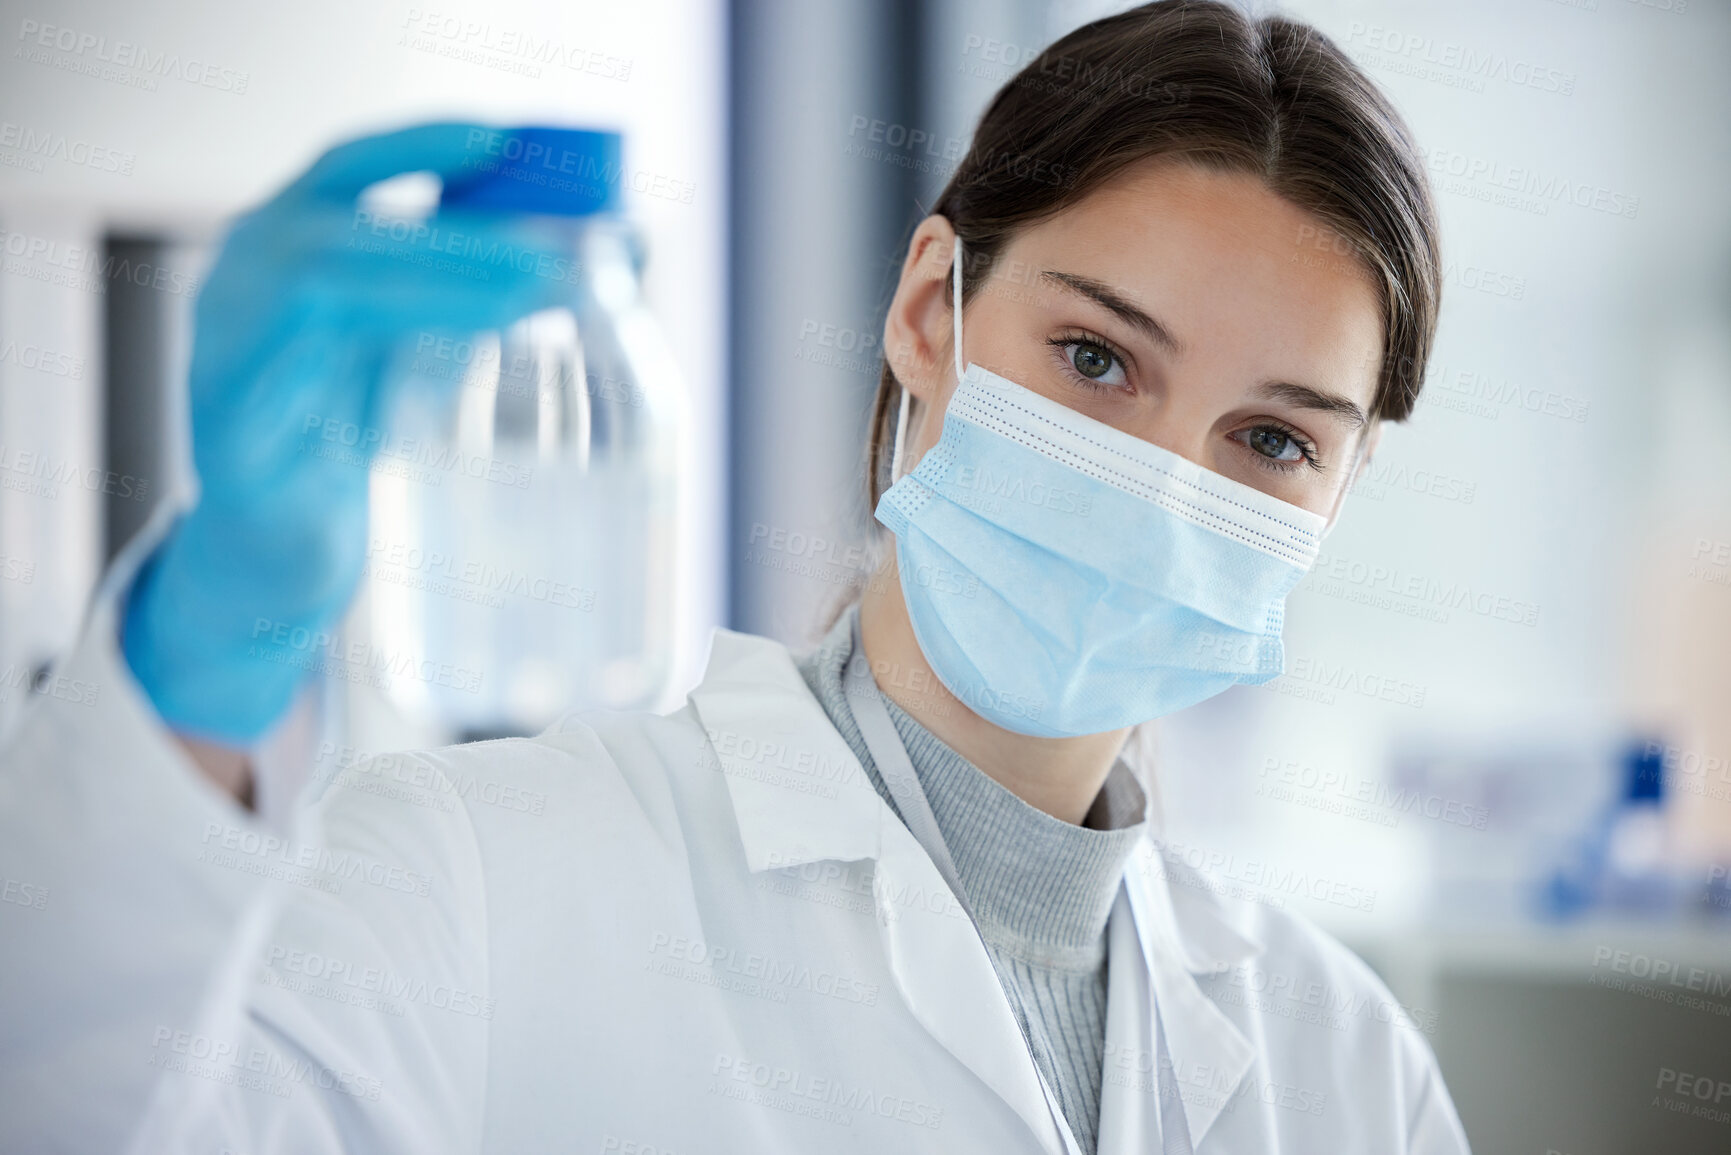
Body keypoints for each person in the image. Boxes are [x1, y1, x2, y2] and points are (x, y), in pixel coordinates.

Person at [0, 2, 1470, 1152]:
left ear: (1340, 494)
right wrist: (206, 639)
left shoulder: (1342, 1063)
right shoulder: (478, 876)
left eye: (1271, 439)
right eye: (1095, 359)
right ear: (927, 314)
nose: (1164, 491)